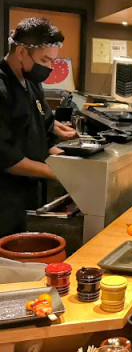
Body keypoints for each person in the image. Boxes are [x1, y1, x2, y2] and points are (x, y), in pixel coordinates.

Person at [0, 17, 65, 237]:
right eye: (45, 60)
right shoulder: (2, 88)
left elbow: (44, 135)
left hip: (29, 195)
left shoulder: (32, 83)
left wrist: (74, 163)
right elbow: (7, 158)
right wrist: (57, 173)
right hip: (5, 198)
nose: (49, 67)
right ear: (21, 52)